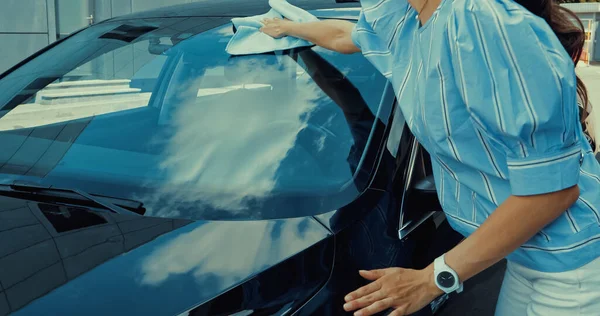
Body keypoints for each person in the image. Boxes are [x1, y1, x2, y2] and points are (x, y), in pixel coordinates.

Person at [261, 0, 600, 315]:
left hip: (575, 267)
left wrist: (432, 279)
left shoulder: (479, 20)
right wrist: (288, 28)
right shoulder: (409, 25)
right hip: (526, 256)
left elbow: (552, 191)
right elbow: (342, 35)